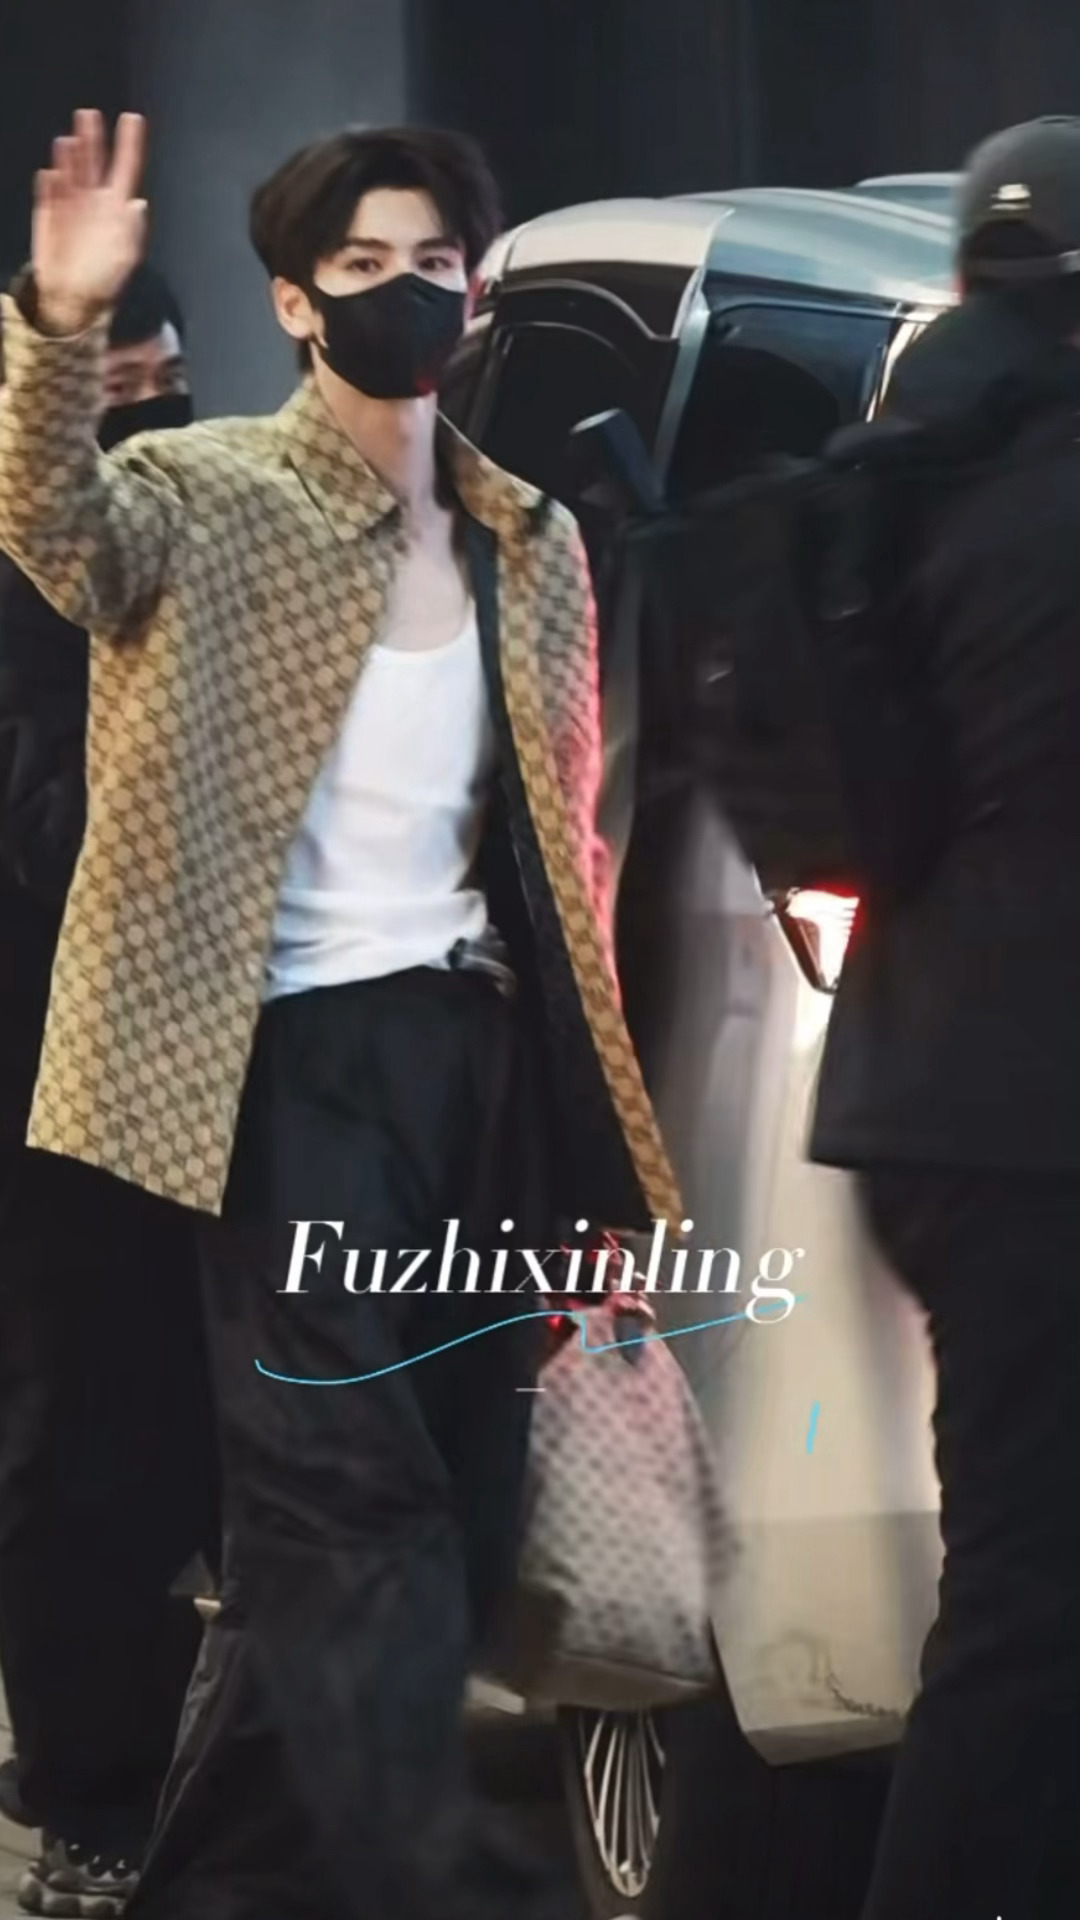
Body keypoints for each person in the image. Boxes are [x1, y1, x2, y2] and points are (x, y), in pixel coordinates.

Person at [0, 111, 680, 1920]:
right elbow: (53, 527)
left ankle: (227, 1881)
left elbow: (565, 856)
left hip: (471, 1054)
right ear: (297, 304)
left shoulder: (531, 538)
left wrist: (603, 1150)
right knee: (347, 1495)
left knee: (443, 1511)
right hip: (280, 1059)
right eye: (363, 267)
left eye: (432, 264)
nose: (405, 294)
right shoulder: (206, 490)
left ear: (476, 288)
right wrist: (60, 328)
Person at [811, 117, 1080, 1920]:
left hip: (925, 1095)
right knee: (1030, 1606)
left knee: (1024, 1585)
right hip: (1036, 1116)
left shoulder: (903, 466)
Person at [0, 264, 219, 1917]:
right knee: (82, 1429)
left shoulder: (224, 525)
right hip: (45, 1070)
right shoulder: (44, 561)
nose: (146, 413)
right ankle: (91, 1802)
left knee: (202, 1431)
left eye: (161, 378)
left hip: (214, 1046)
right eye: (111, 385)